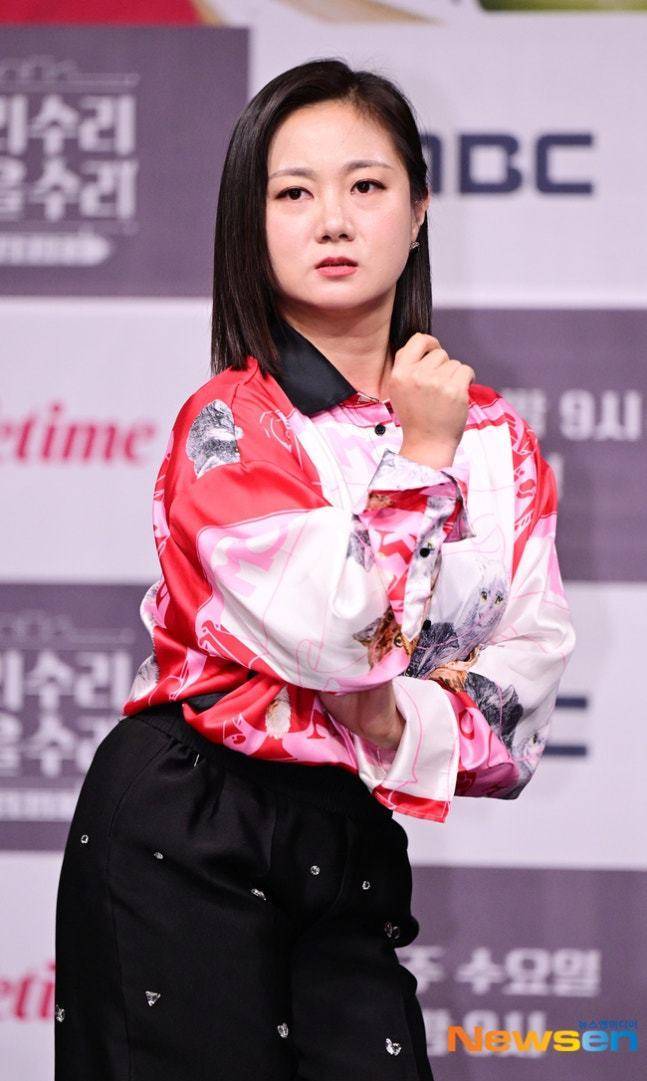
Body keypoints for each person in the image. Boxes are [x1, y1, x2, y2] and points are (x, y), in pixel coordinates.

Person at [54, 58, 576, 1080]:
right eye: (292, 193)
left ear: (418, 211)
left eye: (365, 185)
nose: (331, 220)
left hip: (348, 837)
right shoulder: (228, 426)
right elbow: (337, 640)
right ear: (250, 227)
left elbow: (523, 696)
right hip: (186, 825)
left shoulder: (497, 441)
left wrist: (389, 717)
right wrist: (419, 459)